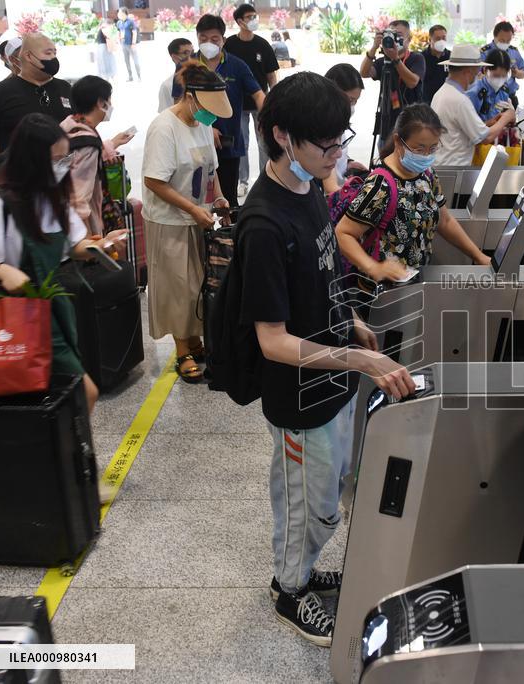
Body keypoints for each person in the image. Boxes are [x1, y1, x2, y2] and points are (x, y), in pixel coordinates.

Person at [234, 71, 414, 646]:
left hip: (333, 375)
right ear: (282, 136)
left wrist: (352, 319)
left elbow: (325, 262)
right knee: (303, 502)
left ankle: (306, 570)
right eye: (326, 144)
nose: (337, 155)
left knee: (329, 495)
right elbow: (272, 341)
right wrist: (358, 362)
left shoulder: (309, 185)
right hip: (299, 395)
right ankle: (289, 589)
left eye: (342, 140)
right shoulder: (263, 224)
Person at [0, 114, 128, 414]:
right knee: (83, 393)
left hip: (54, 312)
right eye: (56, 159)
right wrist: (2, 270)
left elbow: (75, 246)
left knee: (53, 400)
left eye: (65, 158)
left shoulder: (54, 202)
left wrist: (102, 245)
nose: (64, 166)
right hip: (15, 317)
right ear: (32, 161)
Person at [142, 62, 232, 383]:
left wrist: (218, 197)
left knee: (197, 284)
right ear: (190, 97)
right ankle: (183, 351)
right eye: (207, 109)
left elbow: (211, 169)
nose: (211, 117)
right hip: (170, 221)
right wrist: (192, 209)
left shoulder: (203, 124)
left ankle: (195, 341)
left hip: (199, 218)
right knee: (179, 287)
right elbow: (154, 181)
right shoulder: (164, 128)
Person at [337, 104, 492, 282]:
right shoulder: (380, 186)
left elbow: (445, 221)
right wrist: (373, 267)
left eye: (433, 148)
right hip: (383, 291)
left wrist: (478, 256)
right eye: (419, 149)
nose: (426, 156)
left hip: (416, 283)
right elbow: (343, 233)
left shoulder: (427, 174)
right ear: (398, 141)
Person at [173, 14, 264, 208]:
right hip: (194, 145)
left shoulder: (237, 65)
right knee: (196, 199)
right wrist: (206, 127)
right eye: (203, 38)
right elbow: (178, 103)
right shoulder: (187, 67)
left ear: (223, 39)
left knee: (228, 200)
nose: (208, 43)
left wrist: (267, 119)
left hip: (228, 145)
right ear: (197, 38)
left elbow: (258, 94)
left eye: (214, 39)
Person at [0, 33, 73, 182]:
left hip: (61, 177)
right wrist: (15, 153)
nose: (53, 58)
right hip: (18, 179)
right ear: (28, 56)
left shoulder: (65, 88)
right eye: (48, 53)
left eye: (54, 53)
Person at [61, 76, 135, 237]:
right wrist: (89, 240)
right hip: (81, 227)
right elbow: (79, 197)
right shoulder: (88, 143)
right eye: (109, 100)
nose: (111, 105)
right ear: (101, 103)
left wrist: (113, 143)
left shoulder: (70, 124)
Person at [224, 3, 279, 195]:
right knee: (242, 144)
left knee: (264, 142)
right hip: (237, 105)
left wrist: (274, 99)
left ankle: (266, 179)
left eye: (255, 16)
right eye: (250, 17)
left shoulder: (262, 45)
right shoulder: (229, 45)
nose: (254, 20)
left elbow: (271, 75)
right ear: (240, 21)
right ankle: (243, 181)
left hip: (261, 104)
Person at [430, 45, 515, 167]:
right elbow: (486, 137)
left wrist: (489, 123)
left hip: (441, 164)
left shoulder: (441, 93)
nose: (477, 78)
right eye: (476, 74)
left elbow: (464, 130)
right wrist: (506, 117)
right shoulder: (460, 100)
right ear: (468, 73)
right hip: (453, 167)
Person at [360, 19, 426, 150]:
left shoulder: (416, 58)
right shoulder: (384, 61)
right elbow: (364, 72)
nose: (395, 40)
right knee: (386, 157)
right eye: (391, 35)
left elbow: (412, 82)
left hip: (410, 122)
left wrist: (395, 59)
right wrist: (374, 48)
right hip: (387, 121)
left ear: (409, 39)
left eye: (398, 36)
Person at [322, 63, 367, 194]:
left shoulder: (338, 123)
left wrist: (347, 163)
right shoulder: (324, 129)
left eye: (355, 102)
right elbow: (330, 188)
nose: (351, 107)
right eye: (349, 100)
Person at [480, 21, 524, 104]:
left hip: (510, 96)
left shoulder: (514, 51)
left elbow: (523, 74)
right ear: (495, 36)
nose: (505, 43)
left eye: (508, 41)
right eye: (502, 40)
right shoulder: (484, 52)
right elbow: (478, 75)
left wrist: (516, 73)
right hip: (489, 98)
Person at [466, 49, 513, 123]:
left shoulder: (503, 92)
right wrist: (491, 123)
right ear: (485, 70)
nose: (500, 80)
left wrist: (510, 115)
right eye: (496, 76)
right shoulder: (475, 93)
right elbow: (468, 126)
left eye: (504, 76)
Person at [158, 38, 193, 113]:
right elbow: (165, 114)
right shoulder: (167, 86)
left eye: (192, 52)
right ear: (175, 58)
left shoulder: (204, 79)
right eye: (186, 53)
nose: (191, 57)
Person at [420, 24, 450, 104]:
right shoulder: (421, 58)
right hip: (427, 102)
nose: (441, 41)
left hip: (447, 101)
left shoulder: (451, 57)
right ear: (430, 40)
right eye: (437, 38)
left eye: (443, 38)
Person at [116, 8, 141, 82]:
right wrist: (118, 40)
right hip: (123, 43)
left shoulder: (130, 22)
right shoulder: (119, 22)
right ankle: (130, 76)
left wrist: (133, 43)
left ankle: (139, 76)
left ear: (124, 13)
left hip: (130, 44)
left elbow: (134, 32)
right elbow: (119, 32)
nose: (118, 14)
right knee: (126, 61)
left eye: (120, 13)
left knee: (135, 60)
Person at [95, 17, 119, 81]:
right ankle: (108, 76)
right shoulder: (105, 28)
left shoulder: (105, 28)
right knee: (106, 61)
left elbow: (111, 36)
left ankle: (108, 76)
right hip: (103, 46)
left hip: (104, 46)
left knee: (106, 61)